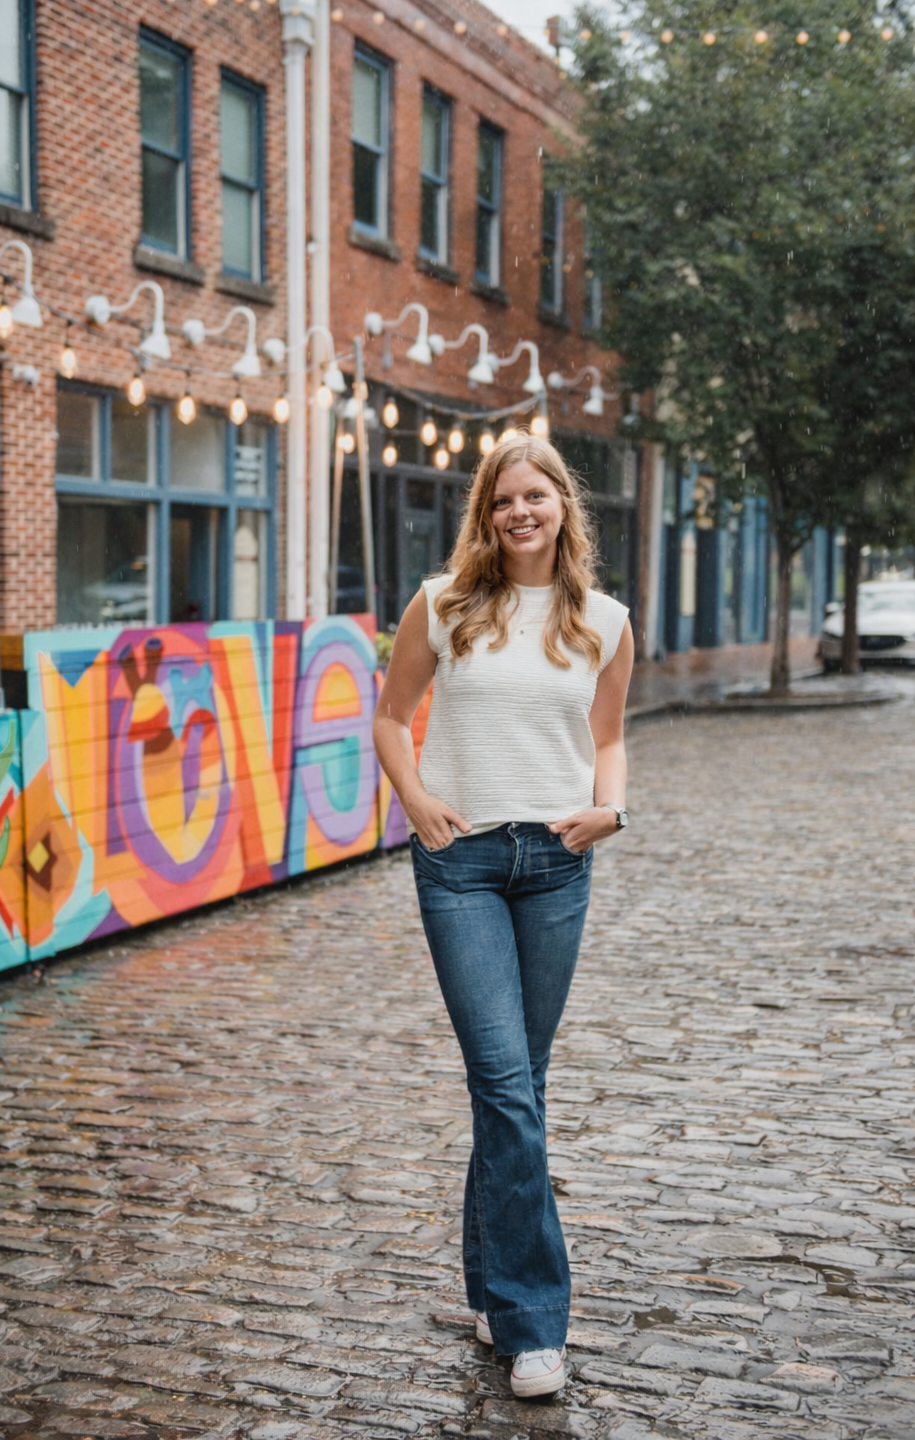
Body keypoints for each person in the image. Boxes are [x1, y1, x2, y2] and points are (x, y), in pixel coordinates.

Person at [373, 434, 633, 1400]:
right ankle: (534, 1323)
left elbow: (607, 736)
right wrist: (415, 801)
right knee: (506, 1082)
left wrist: (613, 808)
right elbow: (393, 714)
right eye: (503, 500)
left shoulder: (604, 620)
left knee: (517, 1087)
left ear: (565, 507)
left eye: (538, 495)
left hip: (558, 862)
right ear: (486, 514)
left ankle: (491, 1282)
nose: (521, 511)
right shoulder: (441, 604)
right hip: (463, 865)